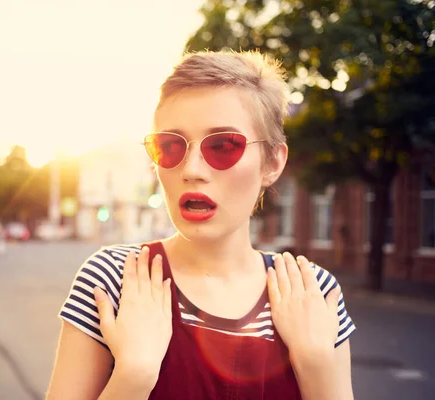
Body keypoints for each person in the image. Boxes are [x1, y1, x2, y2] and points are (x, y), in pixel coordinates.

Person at [47, 50, 356, 399]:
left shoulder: (311, 291)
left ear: (271, 162)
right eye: (170, 145)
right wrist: (133, 376)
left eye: (223, 145)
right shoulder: (113, 280)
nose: (192, 169)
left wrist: (315, 364)